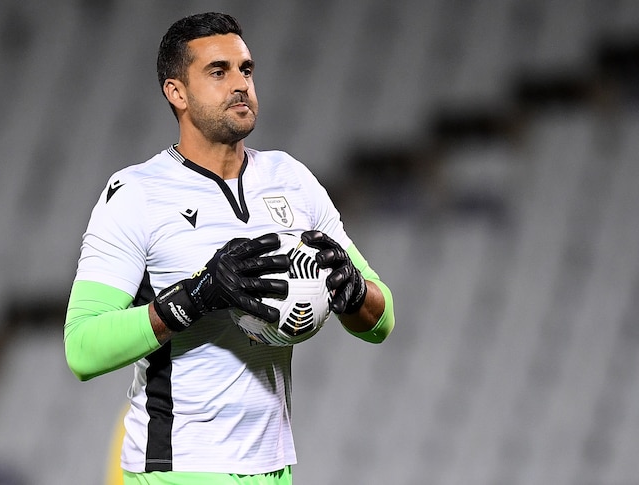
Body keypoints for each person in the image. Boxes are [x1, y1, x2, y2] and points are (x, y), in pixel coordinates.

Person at [64, 12, 395, 485]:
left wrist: (355, 291)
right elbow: (81, 349)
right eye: (218, 72)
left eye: (246, 69)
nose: (240, 84)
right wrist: (195, 298)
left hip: (273, 469)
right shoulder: (136, 193)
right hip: (177, 470)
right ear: (176, 92)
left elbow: (381, 323)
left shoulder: (291, 180)